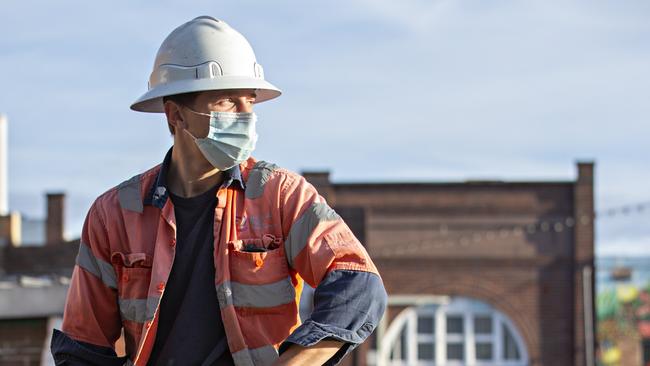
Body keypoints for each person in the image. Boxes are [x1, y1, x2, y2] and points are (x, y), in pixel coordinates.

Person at [51, 16, 387, 366]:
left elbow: (358, 284)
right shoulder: (115, 215)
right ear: (175, 115)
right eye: (227, 101)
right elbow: (82, 348)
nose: (246, 116)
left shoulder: (280, 196)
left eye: (250, 101)